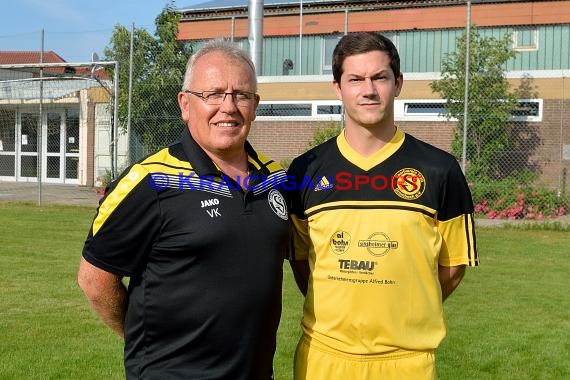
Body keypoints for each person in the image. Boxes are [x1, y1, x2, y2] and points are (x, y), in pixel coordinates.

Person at [77, 39, 291, 380]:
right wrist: (143, 341)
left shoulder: (275, 179)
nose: (229, 106)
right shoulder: (150, 181)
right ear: (185, 103)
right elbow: (95, 281)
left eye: (241, 95)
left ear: (255, 104)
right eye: (213, 94)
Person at [287, 32, 479, 380]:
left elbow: (453, 267)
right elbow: (301, 261)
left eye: (380, 77)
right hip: (323, 358)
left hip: (407, 362)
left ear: (398, 83)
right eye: (355, 79)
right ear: (337, 87)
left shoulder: (439, 169)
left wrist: (407, 305)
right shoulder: (305, 170)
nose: (369, 90)